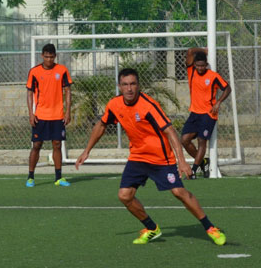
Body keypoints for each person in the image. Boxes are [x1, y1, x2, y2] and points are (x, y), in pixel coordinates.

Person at [75, 68, 226, 246]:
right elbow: (101, 125)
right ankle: (151, 228)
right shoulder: (114, 105)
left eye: (133, 84)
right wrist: (87, 151)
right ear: (119, 86)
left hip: (161, 158)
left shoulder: (148, 105)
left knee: (179, 192)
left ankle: (210, 228)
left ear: (138, 85)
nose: (129, 88)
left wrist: (182, 161)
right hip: (138, 157)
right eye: (125, 84)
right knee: (124, 195)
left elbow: (170, 131)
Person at [25, 43, 72, 187]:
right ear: (42, 56)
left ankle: (58, 177)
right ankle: (31, 177)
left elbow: (68, 91)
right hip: (40, 115)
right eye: (46, 57)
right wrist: (31, 113)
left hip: (57, 115)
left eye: (51, 57)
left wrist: (68, 111)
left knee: (57, 145)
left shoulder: (62, 70)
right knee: (37, 145)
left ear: (55, 56)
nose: (49, 60)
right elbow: (29, 93)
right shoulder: (34, 72)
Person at [181, 48, 231, 179]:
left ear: (206, 65)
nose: (200, 68)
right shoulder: (191, 72)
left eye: (203, 66)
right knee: (184, 140)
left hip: (208, 114)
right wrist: (202, 50)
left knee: (201, 141)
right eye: (198, 65)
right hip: (194, 113)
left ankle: (194, 170)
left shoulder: (213, 76)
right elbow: (190, 51)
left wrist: (219, 102)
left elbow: (227, 88)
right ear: (194, 65)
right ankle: (203, 162)